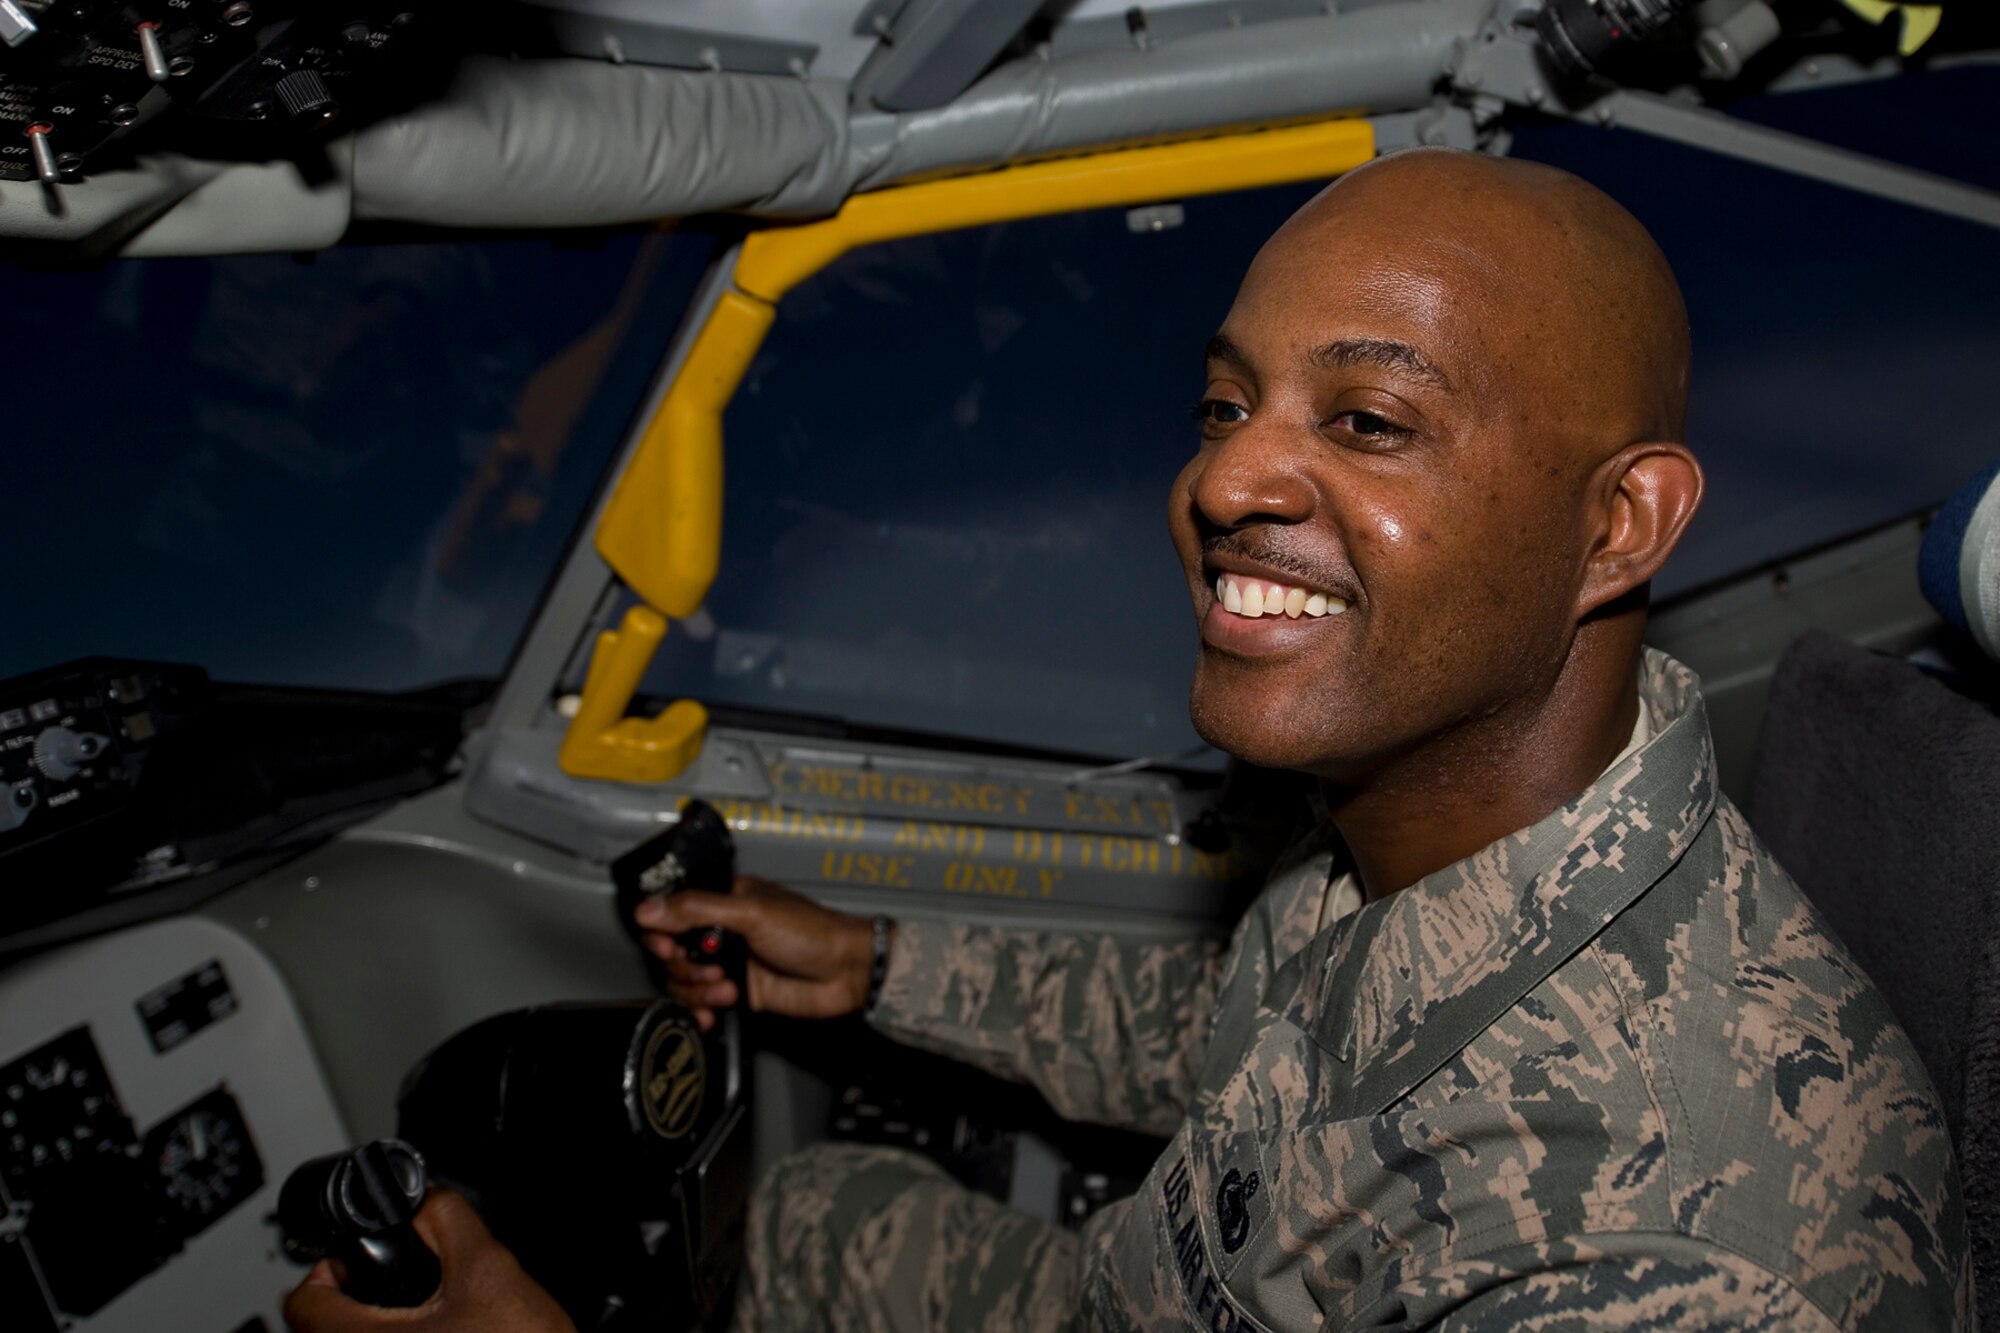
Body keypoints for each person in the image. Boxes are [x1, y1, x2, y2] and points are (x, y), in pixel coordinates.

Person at [285, 148, 1971, 1332]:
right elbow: (1244, 1027)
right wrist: (875, 962)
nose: (1225, 481)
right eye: (1229, 404)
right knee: (798, 1214)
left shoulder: (1699, 1255)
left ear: (1621, 529)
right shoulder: (1415, 824)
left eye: (1369, 420)